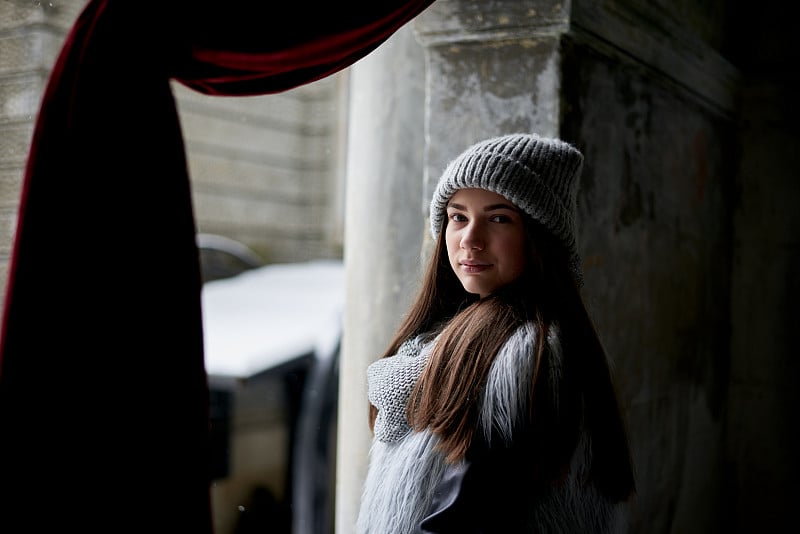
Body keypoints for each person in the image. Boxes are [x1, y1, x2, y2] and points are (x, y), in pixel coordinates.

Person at [356, 133, 636, 533]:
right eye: (458, 217)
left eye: (499, 218)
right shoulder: (445, 338)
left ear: (539, 237)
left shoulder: (525, 355)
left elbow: (462, 521)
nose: (470, 240)